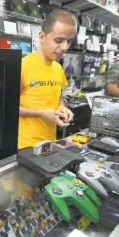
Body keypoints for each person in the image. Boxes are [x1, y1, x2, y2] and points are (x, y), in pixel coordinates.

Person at [18, 9, 75, 149]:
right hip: (24, 146)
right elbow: (8, 108)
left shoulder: (58, 68)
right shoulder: (22, 66)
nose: (64, 47)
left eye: (69, 42)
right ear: (42, 36)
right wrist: (41, 114)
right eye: (59, 40)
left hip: (50, 143)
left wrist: (62, 107)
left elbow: (58, 97)